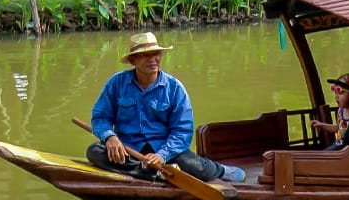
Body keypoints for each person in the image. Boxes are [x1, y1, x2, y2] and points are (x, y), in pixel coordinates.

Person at [87, 32, 246, 183]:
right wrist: (110, 137)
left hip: (166, 150)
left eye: (156, 54)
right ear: (133, 61)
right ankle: (153, 172)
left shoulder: (174, 88)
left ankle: (220, 170)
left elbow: (182, 131)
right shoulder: (117, 83)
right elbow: (100, 117)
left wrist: (161, 155)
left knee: (194, 167)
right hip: (128, 149)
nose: (153, 59)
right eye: (146, 55)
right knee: (94, 152)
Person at [311, 73, 349, 150]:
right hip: (338, 144)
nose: (336, 96)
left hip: (347, 149)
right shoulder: (341, 111)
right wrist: (321, 125)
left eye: (340, 92)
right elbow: (337, 128)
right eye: (335, 92)